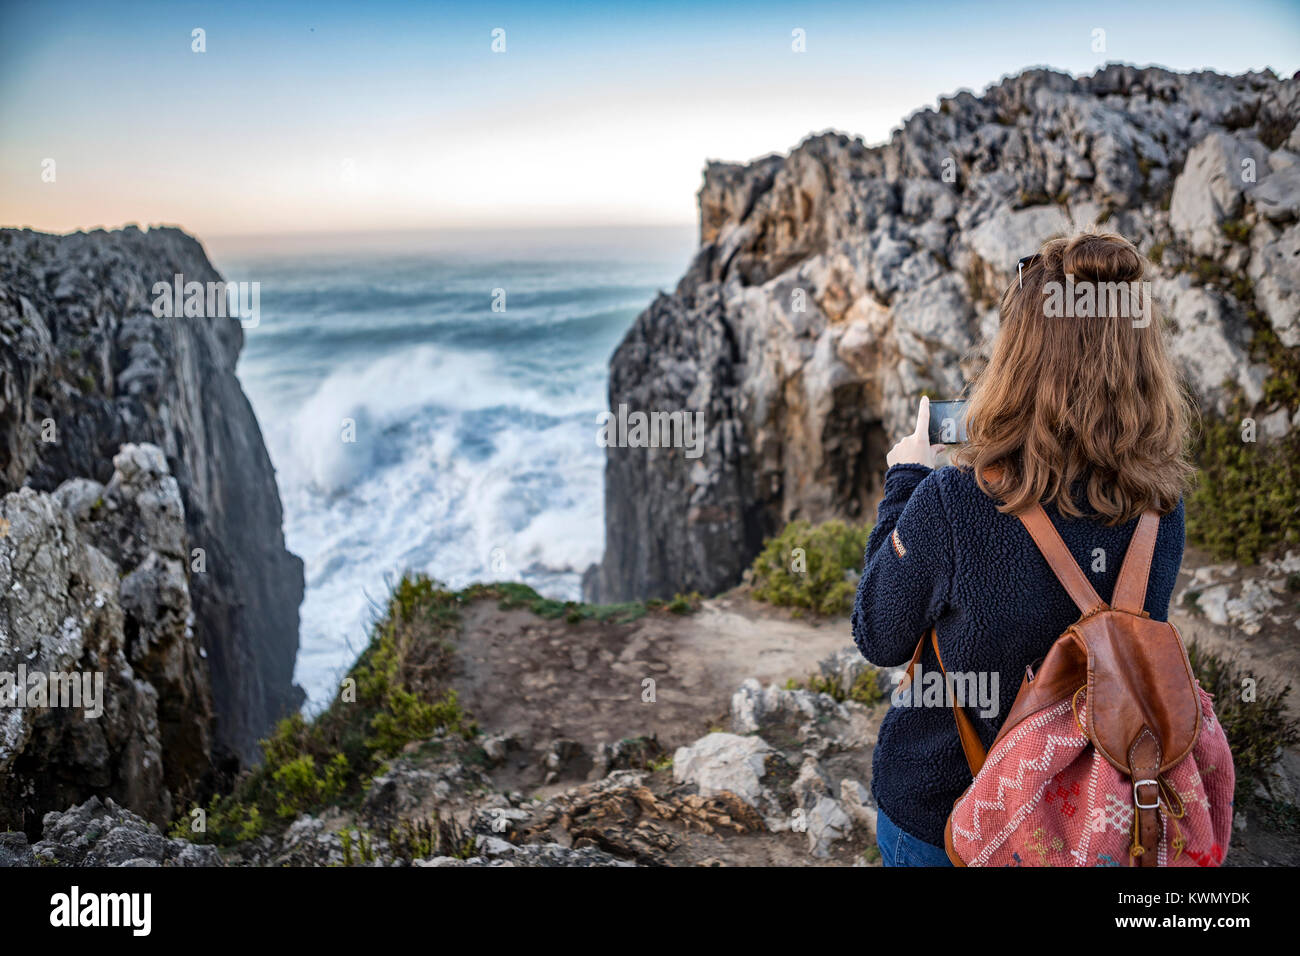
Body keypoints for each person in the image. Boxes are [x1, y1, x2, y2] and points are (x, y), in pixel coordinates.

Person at [852, 231, 1193, 867]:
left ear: (1018, 356)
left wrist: (906, 482)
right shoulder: (1160, 508)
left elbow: (878, 635)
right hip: (1087, 815)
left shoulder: (956, 503)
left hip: (945, 812)